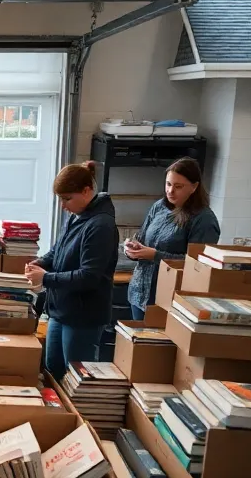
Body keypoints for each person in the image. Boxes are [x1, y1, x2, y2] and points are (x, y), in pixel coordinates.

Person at [26, 162, 119, 377]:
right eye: (60, 199)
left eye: (67, 198)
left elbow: (89, 277)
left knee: (76, 377)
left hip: (83, 315)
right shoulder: (76, 216)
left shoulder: (101, 226)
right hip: (61, 309)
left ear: (86, 191)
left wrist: (46, 278)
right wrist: (40, 263)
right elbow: (58, 250)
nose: (63, 206)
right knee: (53, 369)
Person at [124, 157, 220, 320]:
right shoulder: (159, 206)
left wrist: (155, 256)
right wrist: (132, 248)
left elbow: (198, 266)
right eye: (168, 184)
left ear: (194, 187)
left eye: (178, 186)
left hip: (170, 299)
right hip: (139, 293)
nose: (170, 191)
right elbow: (141, 237)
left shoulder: (204, 219)